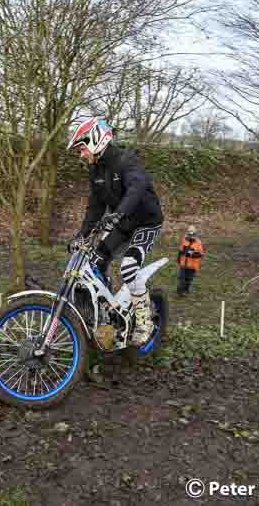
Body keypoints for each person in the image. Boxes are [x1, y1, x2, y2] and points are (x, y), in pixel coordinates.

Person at [67, 117, 164, 346]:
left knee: (129, 267)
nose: (80, 155)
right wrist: (81, 234)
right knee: (93, 262)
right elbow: (95, 207)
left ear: (96, 141)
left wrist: (118, 213)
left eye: (82, 148)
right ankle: (109, 313)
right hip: (122, 223)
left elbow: (136, 188)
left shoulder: (126, 160)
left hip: (146, 222)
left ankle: (144, 322)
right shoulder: (96, 171)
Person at [177, 225, 204, 296]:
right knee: (181, 278)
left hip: (192, 265)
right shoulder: (184, 240)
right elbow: (180, 250)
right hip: (183, 264)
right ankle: (180, 291)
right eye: (189, 234)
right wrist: (179, 258)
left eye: (192, 234)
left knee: (188, 279)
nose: (190, 236)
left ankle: (186, 289)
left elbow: (200, 254)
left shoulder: (198, 243)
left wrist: (192, 254)